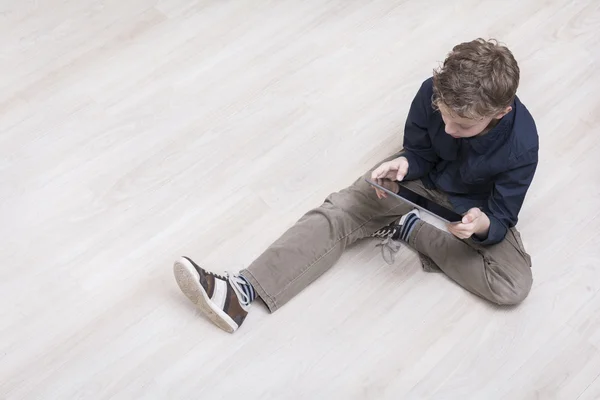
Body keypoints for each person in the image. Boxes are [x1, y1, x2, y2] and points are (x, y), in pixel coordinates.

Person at [173, 38, 538, 333]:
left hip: (473, 207)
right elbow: (422, 148)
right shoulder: (432, 91)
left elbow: (503, 214)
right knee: (343, 209)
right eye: (444, 117)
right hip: (421, 178)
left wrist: (482, 224)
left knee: (513, 286)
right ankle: (240, 291)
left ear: (500, 113)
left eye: (462, 127)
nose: (448, 130)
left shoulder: (523, 144)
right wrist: (406, 161)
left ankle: (409, 229)